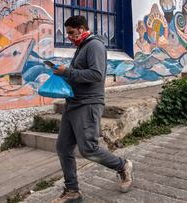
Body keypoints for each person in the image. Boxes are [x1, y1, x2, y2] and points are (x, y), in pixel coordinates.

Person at [51, 16, 133, 203]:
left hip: (88, 104)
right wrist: (63, 76)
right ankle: (72, 191)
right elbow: (79, 75)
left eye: (72, 32)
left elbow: (96, 75)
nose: (69, 37)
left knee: (88, 148)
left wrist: (67, 71)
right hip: (73, 103)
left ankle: (123, 165)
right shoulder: (81, 48)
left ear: (81, 29)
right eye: (68, 33)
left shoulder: (94, 45)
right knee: (63, 148)